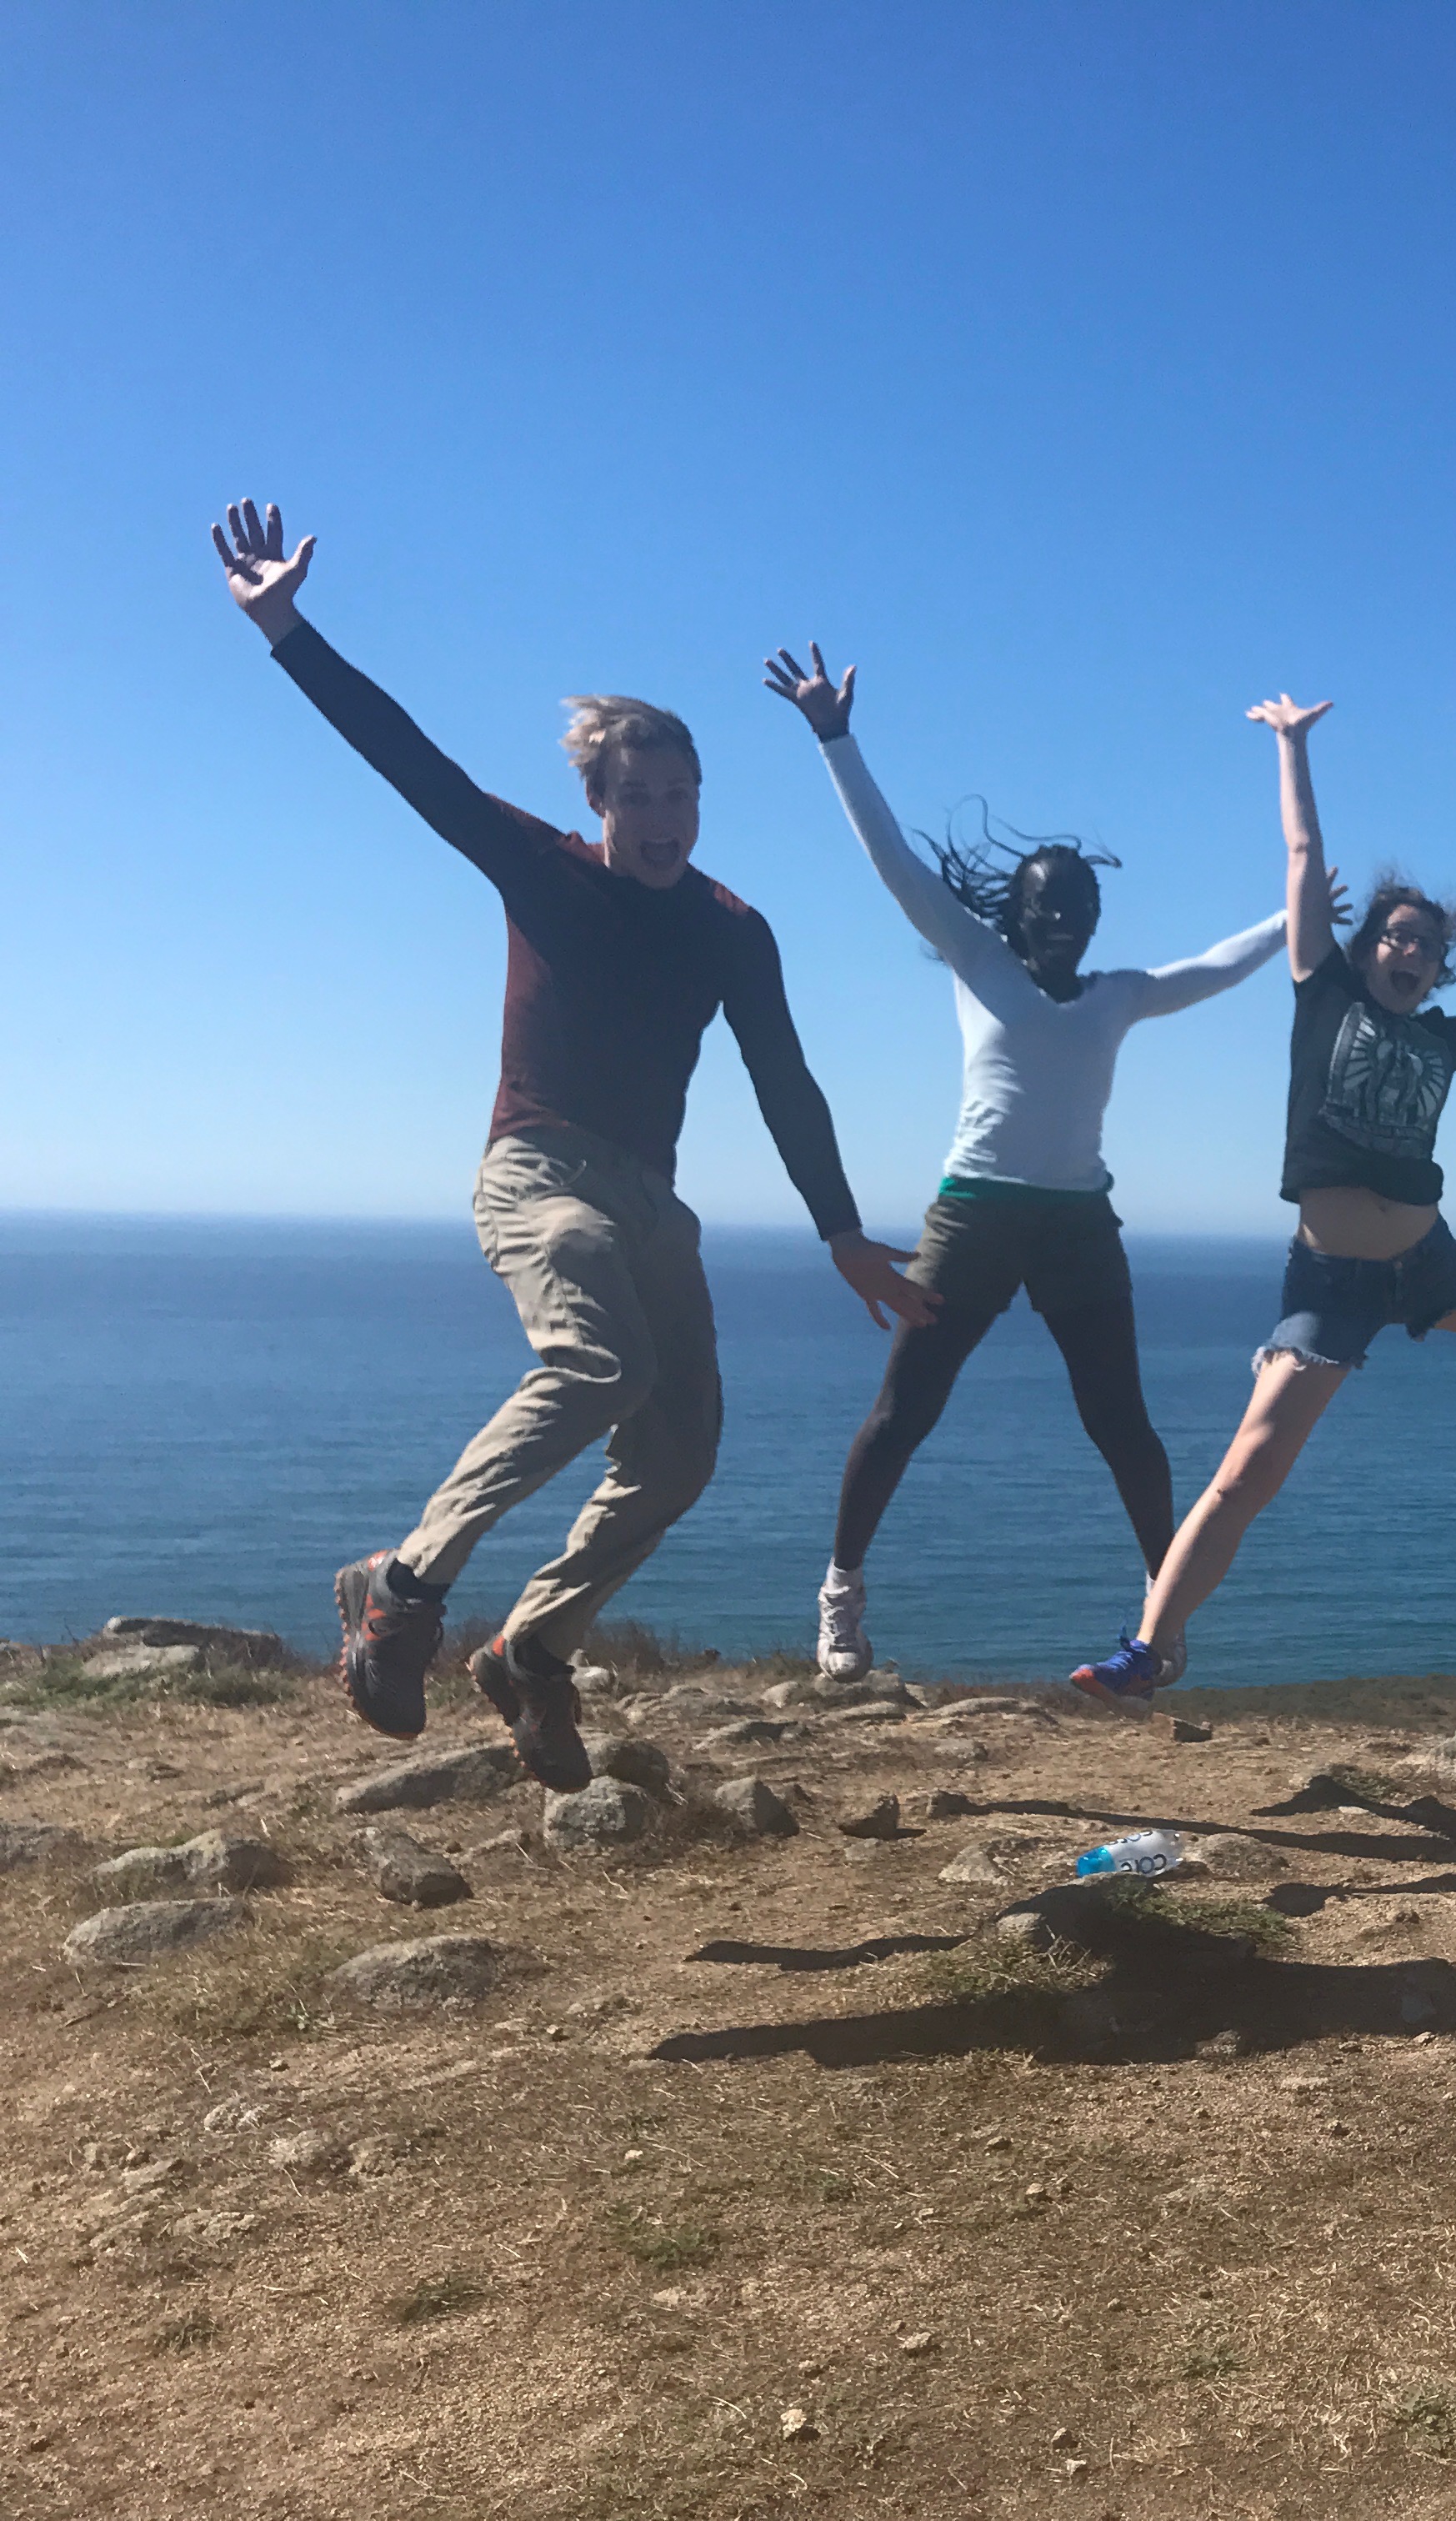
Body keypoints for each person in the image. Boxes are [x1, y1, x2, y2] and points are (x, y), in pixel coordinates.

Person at [211, 502, 928, 1788]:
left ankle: (531, 1655)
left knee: (683, 1449)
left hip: (651, 1201)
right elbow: (412, 762)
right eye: (637, 797)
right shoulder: (546, 870)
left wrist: (840, 1233)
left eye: (682, 794)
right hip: (537, 1172)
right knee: (599, 1364)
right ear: (594, 802)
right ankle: (404, 1586)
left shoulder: (732, 928)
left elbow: (787, 1081)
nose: (663, 817)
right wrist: (288, 632)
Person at [1064, 697, 1456, 1702]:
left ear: (1442, 968)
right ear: (1368, 949)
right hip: (1334, 1281)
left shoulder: (1447, 1039)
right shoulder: (1323, 992)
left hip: (1427, 1254)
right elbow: (1306, 854)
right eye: (1398, 938)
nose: (1412, 954)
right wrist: (1292, 746)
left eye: (1429, 948)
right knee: (1247, 1472)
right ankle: (1147, 1647)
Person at [761, 645, 1288, 1676]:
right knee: (904, 1411)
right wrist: (835, 737)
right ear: (1017, 913)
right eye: (1049, 905)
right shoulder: (977, 959)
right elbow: (894, 865)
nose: (1066, 920)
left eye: (1081, 908)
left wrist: (1294, 917)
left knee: (1122, 1424)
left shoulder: (1118, 994)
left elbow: (1216, 969)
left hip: (1078, 1225)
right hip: (974, 1216)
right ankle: (841, 1595)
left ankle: (1160, 1617)